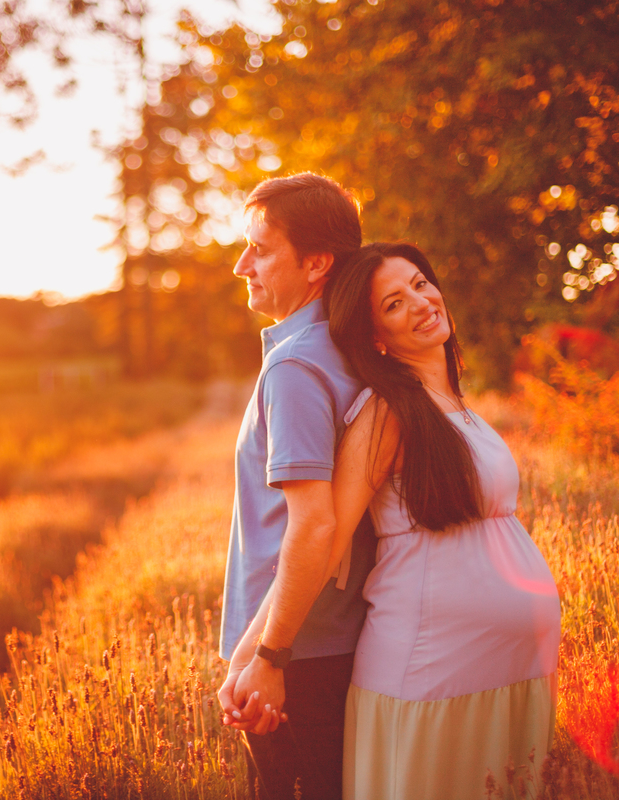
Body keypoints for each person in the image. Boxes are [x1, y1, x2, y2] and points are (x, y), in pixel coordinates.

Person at [321, 242, 562, 799]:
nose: (420, 302)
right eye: (394, 303)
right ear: (375, 338)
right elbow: (326, 534)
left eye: (420, 284)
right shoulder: (385, 412)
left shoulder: (458, 405)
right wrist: (262, 651)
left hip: (513, 671)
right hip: (434, 676)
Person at [217, 172, 377, 800]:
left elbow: (314, 524)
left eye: (259, 249)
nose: (242, 265)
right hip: (326, 643)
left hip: (296, 653)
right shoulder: (350, 349)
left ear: (316, 264)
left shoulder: (295, 366)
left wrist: (268, 657)